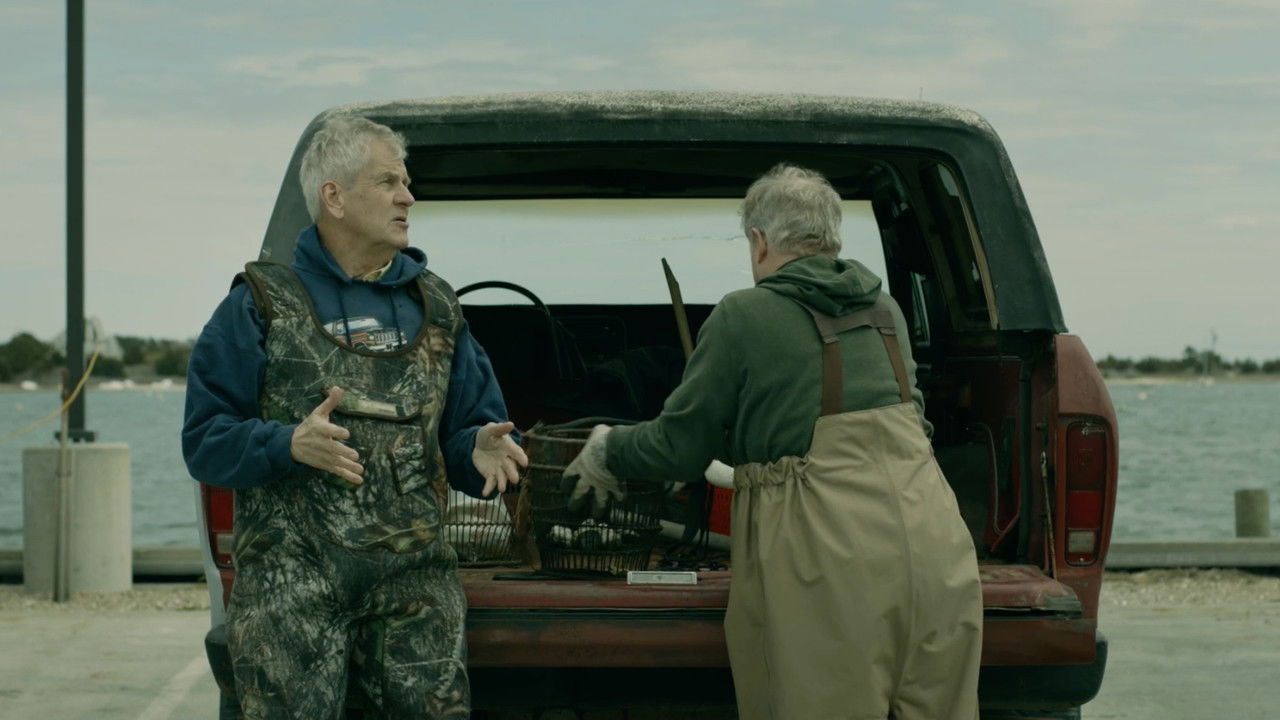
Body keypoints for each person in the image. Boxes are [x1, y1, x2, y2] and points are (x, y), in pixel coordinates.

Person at [563, 164, 982, 719]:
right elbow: (907, 431)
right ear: (830, 236)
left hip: (829, 561)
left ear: (760, 242)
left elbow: (680, 447)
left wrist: (607, 450)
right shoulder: (887, 312)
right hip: (937, 551)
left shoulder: (745, 313)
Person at [182, 116, 527, 719]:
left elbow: (471, 432)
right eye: (388, 181)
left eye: (407, 181)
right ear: (333, 197)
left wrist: (479, 450)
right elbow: (205, 442)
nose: (407, 196)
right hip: (292, 596)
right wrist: (287, 443)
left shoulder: (439, 308)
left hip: (414, 596)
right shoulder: (258, 305)